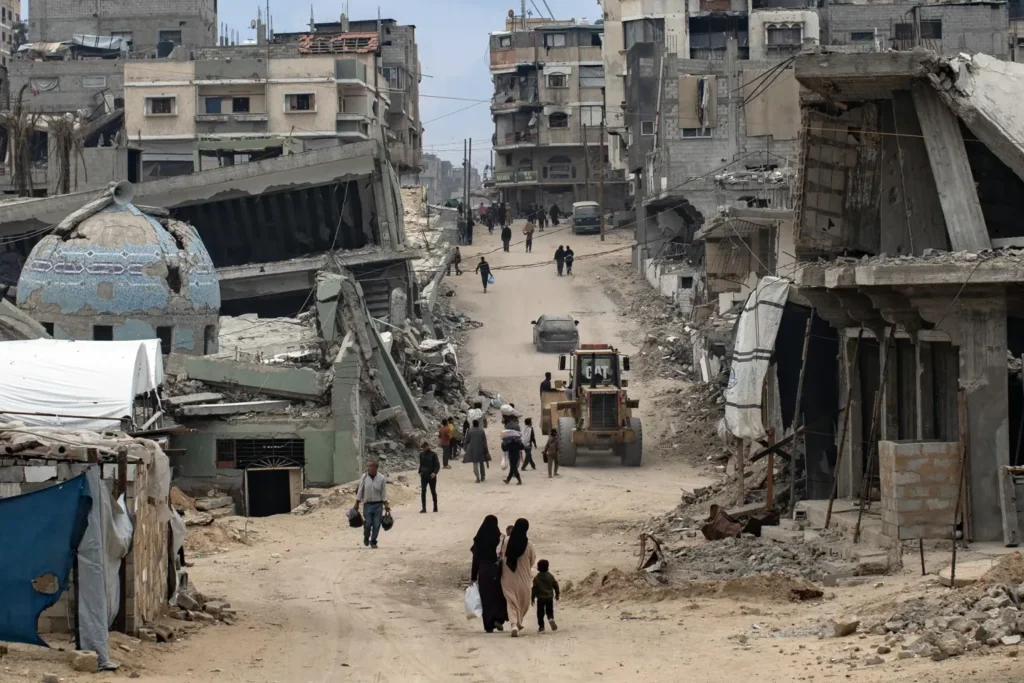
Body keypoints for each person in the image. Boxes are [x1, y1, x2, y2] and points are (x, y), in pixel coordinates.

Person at [470, 515, 508, 633]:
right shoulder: (499, 538)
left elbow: (475, 559)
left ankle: (488, 625)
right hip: (497, 570)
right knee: (499, 595)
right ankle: (499, 618)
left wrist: (473, 577)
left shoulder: (479, 539)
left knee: (486, 598)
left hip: (484, 571)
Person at [500, 518, 536, 637]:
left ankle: (514, 624)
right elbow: (532, 559)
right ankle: (517, 622)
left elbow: (501, 555)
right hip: (523, 575)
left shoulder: (506, 541)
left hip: (508, 574)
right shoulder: (528, 544)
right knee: (524, 600)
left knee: (511, 600)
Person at [354, 461, 390, 548]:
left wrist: (386, 504)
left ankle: (373, 541)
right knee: (368, 523)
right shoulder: (364, 477)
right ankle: (366, 536)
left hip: (378, 505)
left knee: (377, 524)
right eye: (368, 466)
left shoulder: (381, 478)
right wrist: (357, 503)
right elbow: (360, 490)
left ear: (375, 467)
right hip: (367, 505)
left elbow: (383, 492)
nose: (368, 468)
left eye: (370, 466)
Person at [531, 559, 560, 632]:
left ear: (538, 568)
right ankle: (550, 619)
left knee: (540, 613)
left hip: (540, 598)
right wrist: (557, 594)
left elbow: (534, 588)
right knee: (549, 611)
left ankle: (541, 627)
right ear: (548, 567)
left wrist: (532, 598)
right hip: (549, 597)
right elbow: (556, 585)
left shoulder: (536, 578)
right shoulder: (550, 576)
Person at [417, 441, 440, 513]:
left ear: (427, 446)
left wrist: (435, 473)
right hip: (424, 475)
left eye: (424, 447)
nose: (423, 449)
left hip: (431, 476)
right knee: (423, 491)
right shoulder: (421, 455)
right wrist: (420, 471)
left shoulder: (433, 455)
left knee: (433, 491)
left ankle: (435, 507)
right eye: (422, 447)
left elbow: (437, 465)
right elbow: (421, 464)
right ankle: (424, 508)